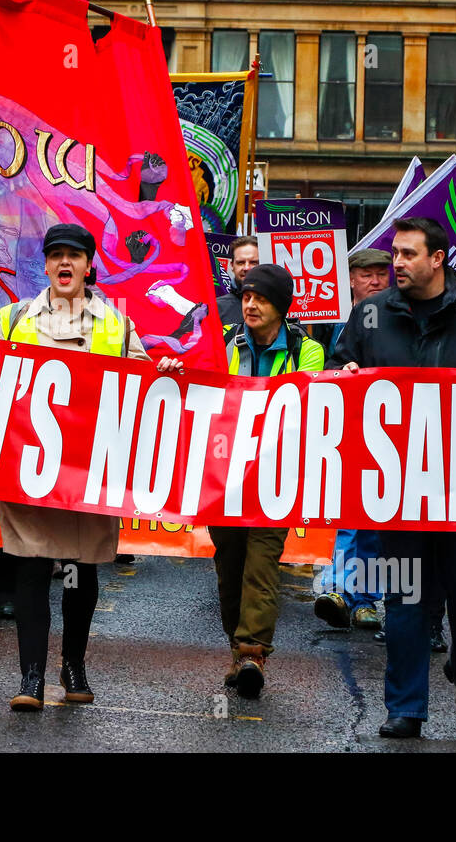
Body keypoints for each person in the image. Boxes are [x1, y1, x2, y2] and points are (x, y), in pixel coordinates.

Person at [328, 217, 456, 739]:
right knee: (405, 597)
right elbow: (336, 371)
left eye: (408, 254)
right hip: (397, 489)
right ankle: (405, 708)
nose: (396, 263)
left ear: (438, 259)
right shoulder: (369, 315)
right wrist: (344, 376)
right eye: (394, 253)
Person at [0, 223, 151, 711]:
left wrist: (160, 369)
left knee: (81, 574)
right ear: (46, 264)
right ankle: (31, 677)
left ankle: (73, 666)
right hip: (29, 467)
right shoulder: (15, 318)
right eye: (56, 255)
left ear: (88, 265)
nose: (64, 264)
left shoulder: (117, 326)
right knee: (31, 572)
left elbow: (139, 380)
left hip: (88, 473)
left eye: (73, 256)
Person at [167, 264, 323, 698]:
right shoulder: (222, 341)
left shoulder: (307, 350)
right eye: (247, 296)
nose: (250, 305)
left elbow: (307, 402)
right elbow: (194, 373)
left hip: (276, 476)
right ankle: (238, 652)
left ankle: (253, 651)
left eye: (261, 298)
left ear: (282, 307)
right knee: (229, 565)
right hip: (225, 474)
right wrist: (173, 365)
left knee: (262, 564)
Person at [313, 248, 390, 632]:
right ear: (351, 280)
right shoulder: (331, 321)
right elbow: (324, 365)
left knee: (373, 517)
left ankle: (365, 600)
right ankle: (341, 590)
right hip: (345, 430)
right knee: (347, 515)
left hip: (389, 433)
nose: (375, 281)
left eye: (381, 274)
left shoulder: (396, 317)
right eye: (366, 275)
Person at [215, 235, 259, 328]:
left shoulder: (277, 306)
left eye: (253, 262)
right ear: (232, 266)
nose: (246, 268)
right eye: (241, 262)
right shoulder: (216, 309)